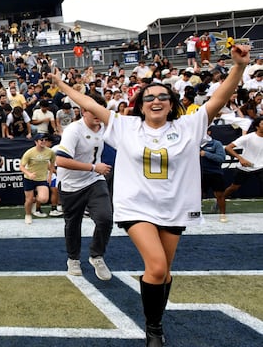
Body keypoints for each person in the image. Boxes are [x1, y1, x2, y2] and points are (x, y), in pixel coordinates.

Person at [47, 43, 250, 347]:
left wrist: (239, 67)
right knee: (155, 267)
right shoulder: (125, 126)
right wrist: (61, 85)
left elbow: (219, 98)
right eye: (149, 97)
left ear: (171, 103)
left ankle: (156, 320)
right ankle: (153, 329)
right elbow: (89, 103)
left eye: (162, 97)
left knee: (164, 273)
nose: (156, 101)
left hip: (175, 207)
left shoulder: (189, 126)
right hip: (137, 207)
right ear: (141, 104)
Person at [53, 94, 114, 281]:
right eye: (92, 109)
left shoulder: (106, 127)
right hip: (72, 184)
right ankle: (73, 259)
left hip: (94, 180)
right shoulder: (74, 130)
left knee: (105, 218)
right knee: (73, 223)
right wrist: (94, 167)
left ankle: (96, 255)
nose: (97, 114)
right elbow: (60, 160)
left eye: (100, 110)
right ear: (83, 111)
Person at [222, 116, 263, 204]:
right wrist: (241, 159)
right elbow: (228, 148)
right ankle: (219, 202)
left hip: (260, 167)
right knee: (234, 187)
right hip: (245, 167)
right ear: (257, 126)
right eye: (262, 124)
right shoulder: (248, 137)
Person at [20, 134, 56, 225]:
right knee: (29, 200)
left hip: (42, 178)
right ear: (36, 142)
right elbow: (21, 166)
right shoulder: (29, 152)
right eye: (41, 140)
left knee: (44, 199)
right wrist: (29, 174)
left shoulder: (50, 152)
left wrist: (50, 175)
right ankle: (28, 215)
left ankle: (35, 201)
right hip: (29, 179)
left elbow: (52, 163)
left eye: (45, 139)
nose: (43, 141)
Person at [200, 126, 228, 223]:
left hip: (215, 173)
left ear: (209, 132)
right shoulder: (195, 144)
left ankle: (223, 215)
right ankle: (197, 214)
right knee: (198, 195)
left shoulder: (216, 144)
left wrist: (206, 154)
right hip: (200, 174)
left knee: (220, 195)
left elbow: (221, 158)